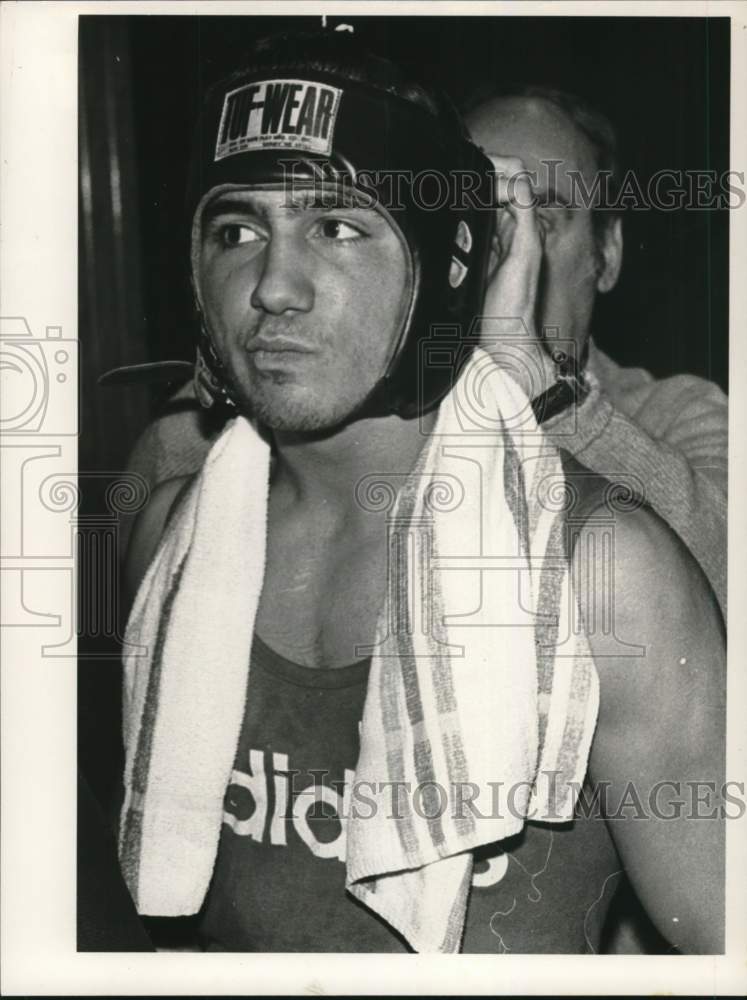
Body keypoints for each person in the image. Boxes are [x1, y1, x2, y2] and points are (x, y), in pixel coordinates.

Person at [117, 31, 725, 954]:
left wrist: (529, 370)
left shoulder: (602, 569)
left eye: (338, 227)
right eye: (236, 230)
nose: (273, 287)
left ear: (454, 265)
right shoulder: (172, 534)